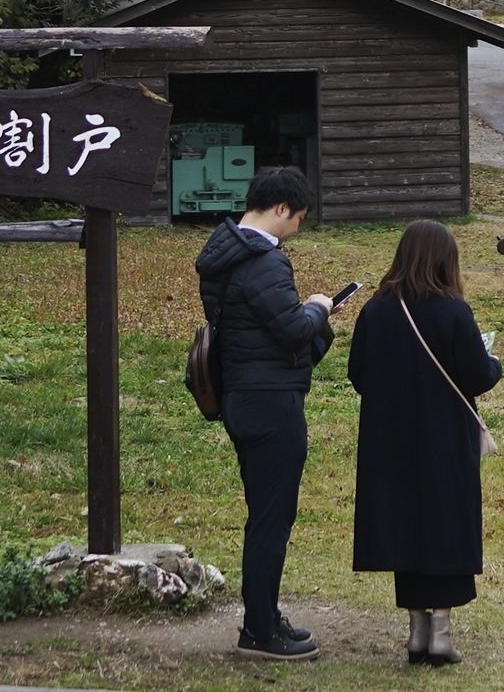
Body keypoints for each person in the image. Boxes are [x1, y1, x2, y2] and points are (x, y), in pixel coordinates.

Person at [194, 165, 338, 659]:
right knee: (272, 519)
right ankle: (259, 630)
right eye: (297, 217)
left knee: (264, 514)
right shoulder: (264, 261)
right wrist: (320, 308)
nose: (297, 226)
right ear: (280, 210)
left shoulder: (224, 253)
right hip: (271, 402)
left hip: (239, 395)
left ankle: (264, 613)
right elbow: (293, 330)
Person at [347, 218, 500, 667]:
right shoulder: (454, 311)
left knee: (405, 526)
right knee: (446, 527)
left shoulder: (376, 309)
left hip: (388, 440)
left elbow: (358, 373)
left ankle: (415, 631)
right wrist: (494, 364)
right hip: (444, 440)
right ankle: (440, 634)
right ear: (444, 261)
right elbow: (476, 374)